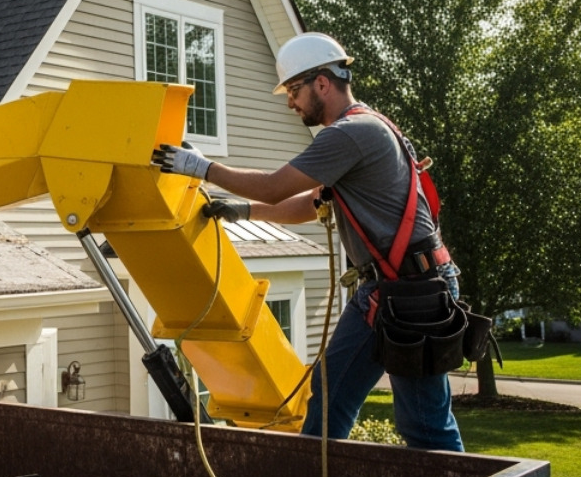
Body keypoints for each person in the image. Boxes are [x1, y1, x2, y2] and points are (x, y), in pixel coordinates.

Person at [152, 32, 464, 451]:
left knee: (424, 424)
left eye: (294, 90)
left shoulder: (352, 133)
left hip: (412, 291)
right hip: (387, 290)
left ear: (322, 82)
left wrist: (200, 166)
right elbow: (308, 203)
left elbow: (275, 186)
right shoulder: (362, 131)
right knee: (327, 399)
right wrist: (243, 212)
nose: (290, 102)